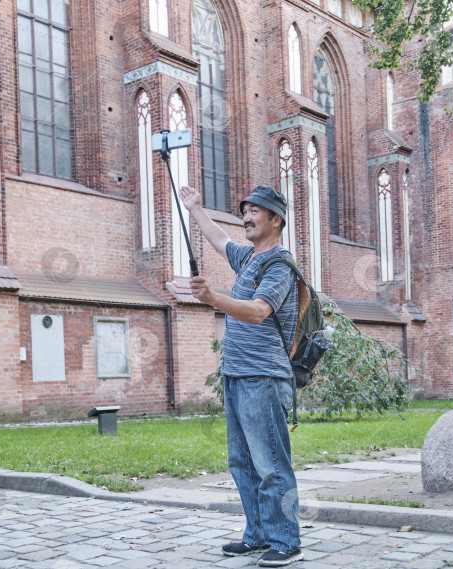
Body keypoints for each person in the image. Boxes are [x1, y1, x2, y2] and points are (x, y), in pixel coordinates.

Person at [179, 184, 303, 567]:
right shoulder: (248, 258)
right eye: (244, 211)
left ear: (276, 219)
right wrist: (196, 208)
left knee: (270, 465)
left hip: (262, 377)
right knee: (243, 464)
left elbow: (257, 311)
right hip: (236, 375)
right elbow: (218, 239)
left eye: (254, 212)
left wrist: (213, 298)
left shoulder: (279, 266)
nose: (246, 218)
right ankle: (258, 535)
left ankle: (285, 539)